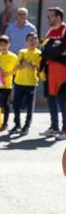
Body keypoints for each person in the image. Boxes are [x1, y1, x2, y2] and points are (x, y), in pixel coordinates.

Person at [39, 7, 66, 139]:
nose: (48, 18)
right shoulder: (50, 32)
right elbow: (44, 51)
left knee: (63, 101)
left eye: (51, 16)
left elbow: (63, 50)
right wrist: (55, 51)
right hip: (50, 71)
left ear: (59, 17)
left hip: (63, 71)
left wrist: (52, 52)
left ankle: (65, 130)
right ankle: (54, 127)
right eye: (48, 16)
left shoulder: (65, 30)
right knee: (51, 100)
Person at [10, 33, 41, 134]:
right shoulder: (21, 51)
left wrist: (23, 62)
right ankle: (17, 124)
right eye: (30, 40)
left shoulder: (38, 53)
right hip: (19, 81)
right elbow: (17, 67)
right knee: (16, 105)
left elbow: (33, 67)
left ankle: (27, 125)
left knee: (29, 106)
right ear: (26, 41)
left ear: (37, 42)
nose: (32, 42)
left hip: (31, 82)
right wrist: (26, 63)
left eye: (34, 40)